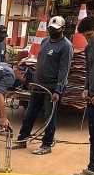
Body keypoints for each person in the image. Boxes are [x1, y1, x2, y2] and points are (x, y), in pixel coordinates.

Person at [9, 16, 73, 155]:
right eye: (50, 29)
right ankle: (22, 139)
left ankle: (47, 144)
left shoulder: (66, 46)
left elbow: (64, 70)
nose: (52, 31)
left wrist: (58, 90)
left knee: (49, 116)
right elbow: (40, 64)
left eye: (55, 29)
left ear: (62, 29)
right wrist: (33, 80)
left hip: (51, 88)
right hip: (38, 85)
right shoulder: (45, 41)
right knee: (29, 113)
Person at [69, 16, 94, 175]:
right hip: (92, 98)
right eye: (85, 36)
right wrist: (86, 88)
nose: (87, 38)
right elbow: (89, 70)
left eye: (90, 34)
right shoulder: (89, 48)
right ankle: (92, 170)